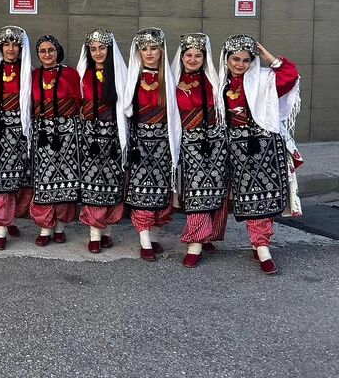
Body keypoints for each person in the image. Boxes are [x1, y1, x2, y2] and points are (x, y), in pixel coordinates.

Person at [219, 34, 303, 275]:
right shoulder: (220, 82)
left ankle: (263, 246)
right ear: (227, 59)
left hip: (265, 146)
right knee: (247, 198)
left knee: (263, 199)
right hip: (236, 148)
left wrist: (269, 57)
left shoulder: (264, 79)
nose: (240, 64)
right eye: (235, 59)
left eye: (246, 60)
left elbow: (290, 76)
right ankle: (257, 244)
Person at [170, 33, 229, 269]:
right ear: (182, 57)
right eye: (188, 55)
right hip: (189, 144)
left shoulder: (216, 80)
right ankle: (194, 243)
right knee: (197, 193)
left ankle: (209, 235)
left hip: (217, 144)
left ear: (205, 58)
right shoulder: (172, 81)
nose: (193, 59)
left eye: (198, 55)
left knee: (217, 191)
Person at [124, 28, 181, 261]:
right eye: (144, 49)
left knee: (161, 192)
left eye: (154, 48)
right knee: (141, 191)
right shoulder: (131, 77)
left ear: (161, 50)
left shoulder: (171, 78)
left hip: (163, 145)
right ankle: (144, 240)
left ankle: (155, 235)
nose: (149, 53)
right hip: (140, 144)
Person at [76, 28, 129, 254]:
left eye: (102, 48)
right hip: (90, 138)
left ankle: (107, 230)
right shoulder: (82, 73)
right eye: (93, 49)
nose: (98, 53)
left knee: (111, 184)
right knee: (91, 185)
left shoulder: (119, 73)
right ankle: (95, 234)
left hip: (113, 138)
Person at [0, 25, 33, 250]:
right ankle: (0, 228)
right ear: (0, 47)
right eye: (7, 44)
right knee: (1, 181)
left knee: (20, 179)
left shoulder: (29, 72)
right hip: (0, 131)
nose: (11, 49)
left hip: (22, 131)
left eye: (15, 44)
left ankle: (10, 217)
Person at [30, 35, 81, 246]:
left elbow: (79, 101)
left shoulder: (70, 74)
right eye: (42, 51)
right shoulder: (33, 75)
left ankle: (60, 226)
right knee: (44, 181)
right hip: (42, 133)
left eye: (51, 50)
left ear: (58, 51)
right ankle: (45, 227)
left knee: (65, 180)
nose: (47, 54)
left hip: (66, 133)